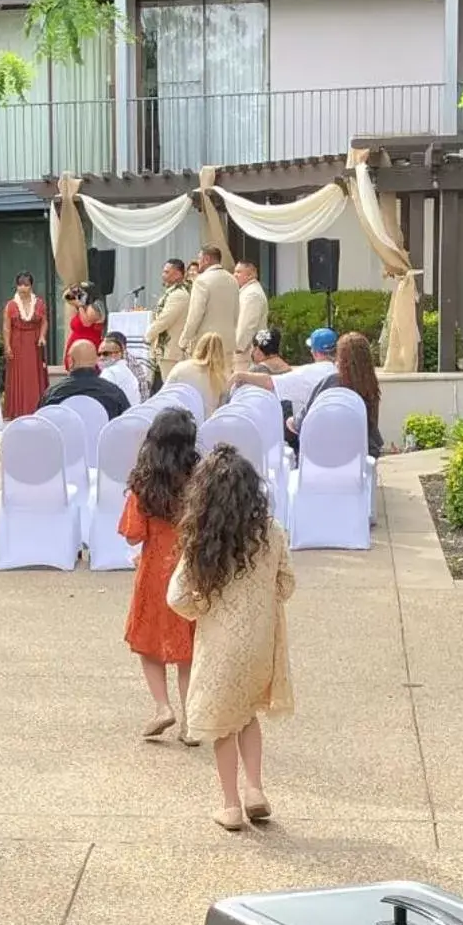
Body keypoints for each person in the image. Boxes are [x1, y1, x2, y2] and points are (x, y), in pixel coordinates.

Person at [167, 446, 295, 833]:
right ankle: (255, 788)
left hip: (220, 644)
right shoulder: (270, 532)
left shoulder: (202, 541)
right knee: (248, 715)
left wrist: (201, 608)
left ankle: (230, 805)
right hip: (260, 643)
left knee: (223, 725)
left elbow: (176, 596)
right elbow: (287, 583)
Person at [119, 410, 198, 742]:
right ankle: (191, 721)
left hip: (154, 572)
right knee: (188, 650)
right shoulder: (199, 478)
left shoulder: (144, 482)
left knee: (148, 645)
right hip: (191, 570)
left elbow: (133, 534)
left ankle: (162, 707)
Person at [295, 330, 385, 458]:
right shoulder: (371, 386)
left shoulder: (330, 382)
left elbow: (301, 422)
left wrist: (290, 421)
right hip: (362, 455)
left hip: (325, 455)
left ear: (340, 357)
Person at [38, 339, 130, 420]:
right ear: (96, 361)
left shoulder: (54, 393)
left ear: (70, 361)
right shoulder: (114, 393)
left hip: (67, 439)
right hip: (104, 439)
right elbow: (127, 424)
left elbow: (41, 425)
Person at [179, 247, 239, 361]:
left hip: (206, 343)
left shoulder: (201, 280)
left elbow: (195, 315)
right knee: (224, 377)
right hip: (228, 342)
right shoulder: (233, 280)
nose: (198, 262)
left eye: (199, 258)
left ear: (206, 259)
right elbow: (236, 313)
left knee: (204, 378)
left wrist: (184, 340)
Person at [2, 272, 48, 418]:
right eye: (20, 284)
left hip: (34, 344)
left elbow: (44, 321)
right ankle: (17, 410)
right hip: (17, 344)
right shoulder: (10, 305)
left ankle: (36, 407)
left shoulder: (39, 303)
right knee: (19, 377)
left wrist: (42, 336)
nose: (23, 288)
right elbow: (6, 327)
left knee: (34, 375)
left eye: (26, 285)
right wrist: (7, 346)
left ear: (31, 286)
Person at [146, 259, 193, 384]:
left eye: (167, 272)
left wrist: (148, 335)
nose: (163, 275)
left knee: (171, 387)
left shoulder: (179, 294)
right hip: (166, 350)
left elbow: (165, 320)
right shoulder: (173, 292)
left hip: (172, 351)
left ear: (178, 274)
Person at [165, 332, 229, 414]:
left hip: (174, 417)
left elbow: (164, 393)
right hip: (203, 423)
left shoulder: (180, 367)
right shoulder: (222, 379)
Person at [233, 261, 269, 370]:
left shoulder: (252, 294)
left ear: (250, 275)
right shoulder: (247, 292)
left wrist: (238, 347)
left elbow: (247, 325)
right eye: (235, 271)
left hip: (246, 353)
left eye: (239, 272)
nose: (235, 275)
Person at [62, 284, 106, 369]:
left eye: (80, 294)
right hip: (75, 346)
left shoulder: (94, 307)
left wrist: (80, 306)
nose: (78, 296)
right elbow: (66, 296)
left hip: (88, 346)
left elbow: (86, 323)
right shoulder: (81, 307)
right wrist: (73, 288)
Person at [99, 330, 143, 408]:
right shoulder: (122, 367)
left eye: (106, 354)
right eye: (99, 354)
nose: (101, 357)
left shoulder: (110, 372)